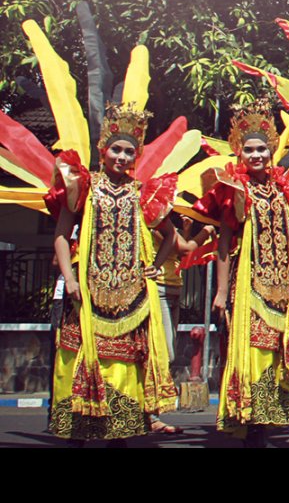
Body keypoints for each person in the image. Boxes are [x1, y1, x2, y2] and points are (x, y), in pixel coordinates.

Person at [46, 103, 178, 445]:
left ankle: (119, 432)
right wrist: (70, 277)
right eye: (115, 149)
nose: (121, 157)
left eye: (128, 152)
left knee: (124, 365)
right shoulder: (85, 187)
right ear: (103, 150)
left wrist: (156, 263)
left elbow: (172, 235)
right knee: (80, 357)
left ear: (136, 156)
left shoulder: (142, 194)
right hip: (86, 295)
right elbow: (61, 235)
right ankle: (77, 432)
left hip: (131, 297)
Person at [196, 100, 289, 447]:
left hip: (284, 286)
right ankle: (250, 421)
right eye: (249, 149)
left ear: (272, 148)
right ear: (239, 151)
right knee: (252, 349)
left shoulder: (284, 188)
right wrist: (219, 291)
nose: (257, 155)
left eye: (262, 148)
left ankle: (266, 422)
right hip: (249, 285)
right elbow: (224, 242)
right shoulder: (235, 189)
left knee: (277, 350)